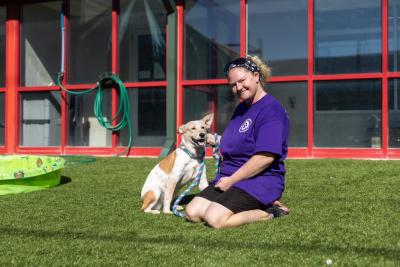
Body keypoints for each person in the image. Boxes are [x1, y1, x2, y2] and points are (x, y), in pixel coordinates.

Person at [186, 55, 290, 228]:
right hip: (230, 177)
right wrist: (211, 139)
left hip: (260, 180)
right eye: (233, 85)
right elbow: (235, 141)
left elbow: (265, 157)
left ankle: (270, 211)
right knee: (193, 212)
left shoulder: (271, 110)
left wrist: (231, 181)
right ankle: (247, 204)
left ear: (256, 76)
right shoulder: (242, 107)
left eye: (242, 81)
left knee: (214, 218)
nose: (238, 87)